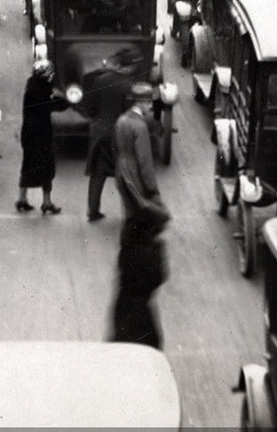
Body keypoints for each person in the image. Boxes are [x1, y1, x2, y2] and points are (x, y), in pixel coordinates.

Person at [83, 46, 139, 222]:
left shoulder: (99, 80)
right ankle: (128, 214)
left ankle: (93, 211)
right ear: (129, 66)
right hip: (120, 135)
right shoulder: (129, 86)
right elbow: (130, 113)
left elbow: (89, 107)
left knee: (97, 174)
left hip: (99, 133)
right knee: (125, 174)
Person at [111, 202, 169, 348]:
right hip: (140, 306)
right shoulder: (151, 249)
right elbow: (159, 277)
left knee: (121, 342)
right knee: (147, 345)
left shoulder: (128, 244)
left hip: (124, 302)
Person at [16, 60, 68, 214]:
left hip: (28, 134)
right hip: (41, 135)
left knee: (28, 165)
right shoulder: (42, 90)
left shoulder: (32, 87)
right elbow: (52, 105)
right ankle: (46, 201)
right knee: (46, 167)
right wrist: (67, 101)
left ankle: (22, 198)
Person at [115, 82, 165, 217]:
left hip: (120, 170)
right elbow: (145, 161)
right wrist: (153, 189)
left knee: (128, 212)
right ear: (140, 103)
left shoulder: (121, 119)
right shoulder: (140, 126)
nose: (151, 106)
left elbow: (116, 147)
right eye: (149, 102)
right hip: (134, 173)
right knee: (140, 216)